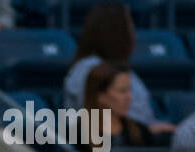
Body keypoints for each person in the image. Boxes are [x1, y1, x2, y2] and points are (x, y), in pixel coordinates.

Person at [64, 3, 174, 134]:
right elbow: (93, 119)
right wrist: (147, 130)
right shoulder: (88, 69)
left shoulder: (118, 68)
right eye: (129, 24)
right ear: (116, 30)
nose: (134, 31)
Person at [79, 64, 172, 152]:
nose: (129, 97)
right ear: (100, 95)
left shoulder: (141, 131)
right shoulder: (77, 135)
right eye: (122, 91)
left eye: (129, 90)